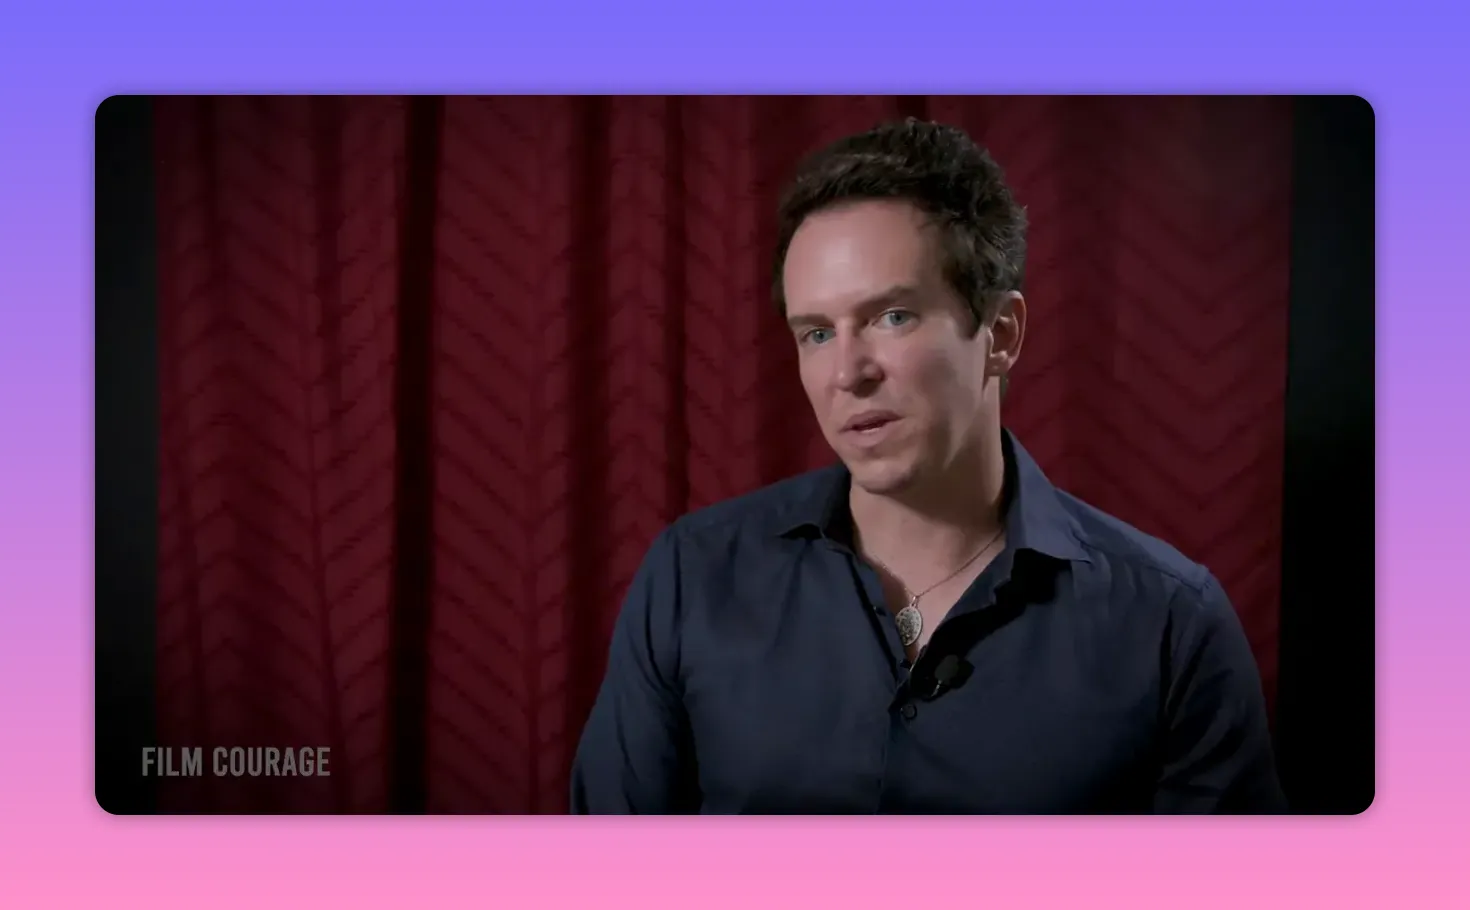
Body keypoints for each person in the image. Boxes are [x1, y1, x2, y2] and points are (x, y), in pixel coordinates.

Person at [570, 119, 1287, 814]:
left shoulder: (1170, 622)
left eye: (893, 317)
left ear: (1000, 335)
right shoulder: (692, 579)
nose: (847, 372)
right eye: (816, 332)